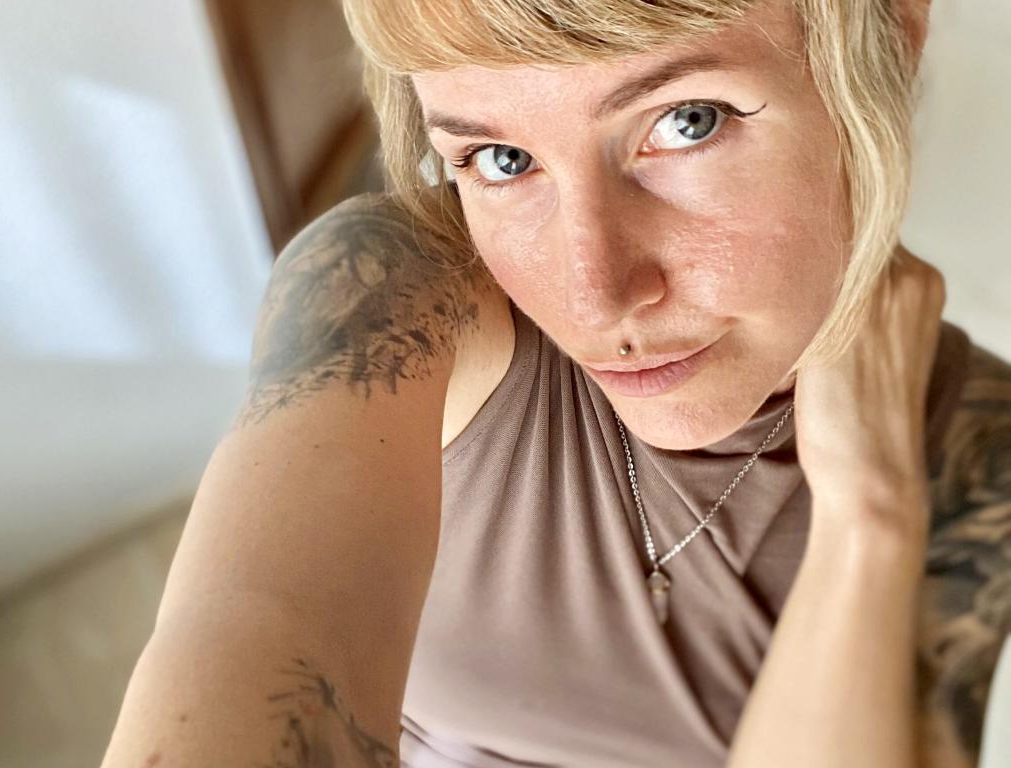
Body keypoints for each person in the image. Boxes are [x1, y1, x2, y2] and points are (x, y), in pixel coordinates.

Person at [102, 1, 1010, 766]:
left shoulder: (980, 446)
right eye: (501, 160)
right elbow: (253, 631)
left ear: (892, 31)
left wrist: (870, 512)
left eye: (688, 121)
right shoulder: (397, 294)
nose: (591, 295)